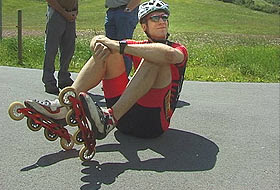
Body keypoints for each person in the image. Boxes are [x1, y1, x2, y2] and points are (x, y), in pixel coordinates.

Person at [26, 0, 188, 139]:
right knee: (109, 52)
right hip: (124, 117)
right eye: (155, 18)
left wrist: (117, 45)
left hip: (152, 123)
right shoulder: (139, 46)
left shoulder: (178, 49)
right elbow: (100, 42)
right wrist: (99, 43)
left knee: (155, 59)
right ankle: (63, 106)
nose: (162, 21)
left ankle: (109, 118)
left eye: (164, 17)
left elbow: (169, 56)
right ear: (144, 26)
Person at [42, 0, 78, 95]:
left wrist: (75, 11)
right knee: (51, 49)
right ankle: (49, 81)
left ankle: (64, 78)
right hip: (56, 13)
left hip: (70, 14)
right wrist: (64, 13)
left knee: (69, 49)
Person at [104, 0, 141, 75]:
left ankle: (124, 79)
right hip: (111, 11)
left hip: (125, 10)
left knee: (123, 47)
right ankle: (113, 78)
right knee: (110, 47)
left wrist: (128, 10)